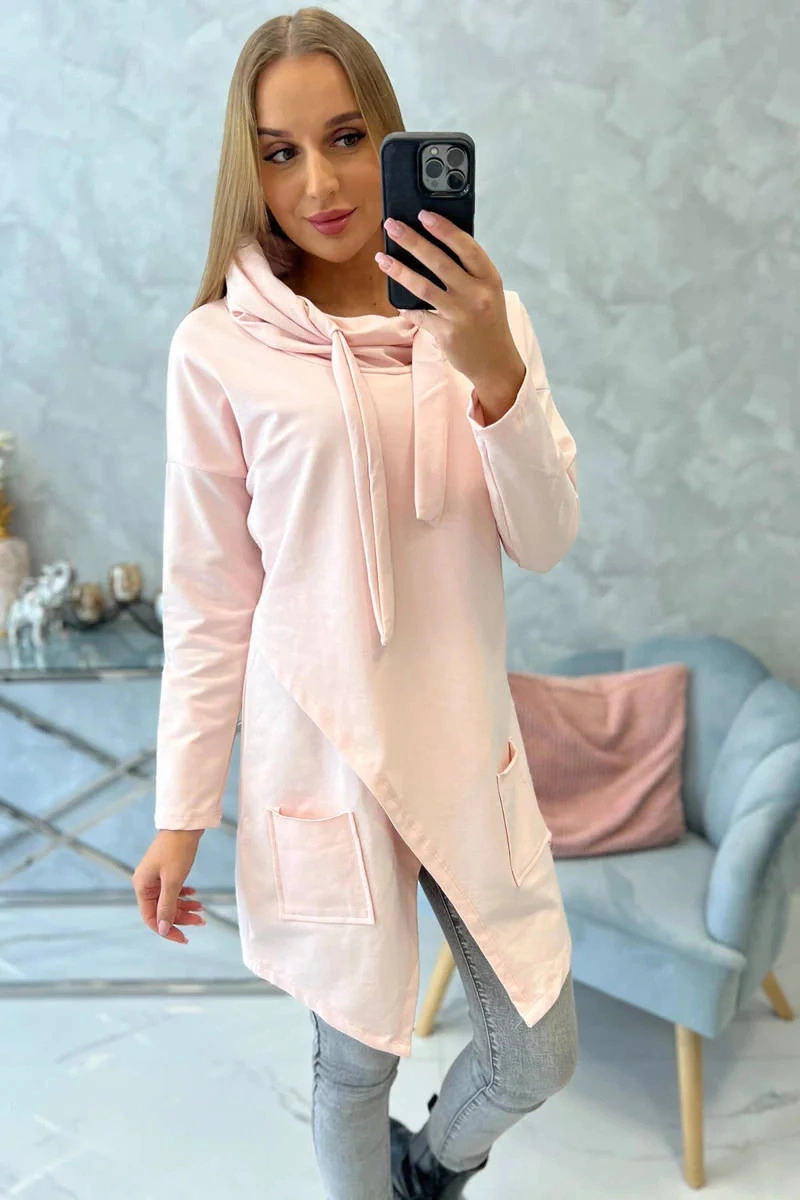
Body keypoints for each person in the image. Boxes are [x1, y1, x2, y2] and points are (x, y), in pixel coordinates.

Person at [132, 7, 581, 1198]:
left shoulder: (483, 315)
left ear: (390, 136)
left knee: (537, 1052)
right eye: (279, 153)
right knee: (352, 1063)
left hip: (460, 737)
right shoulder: (216, 349)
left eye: (343, 138)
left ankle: (426, 1173)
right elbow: (209, 596)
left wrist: (492, 369)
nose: (319, 184)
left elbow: (544, 538)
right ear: (249, 170)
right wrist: (181, 812)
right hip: (321, 752)